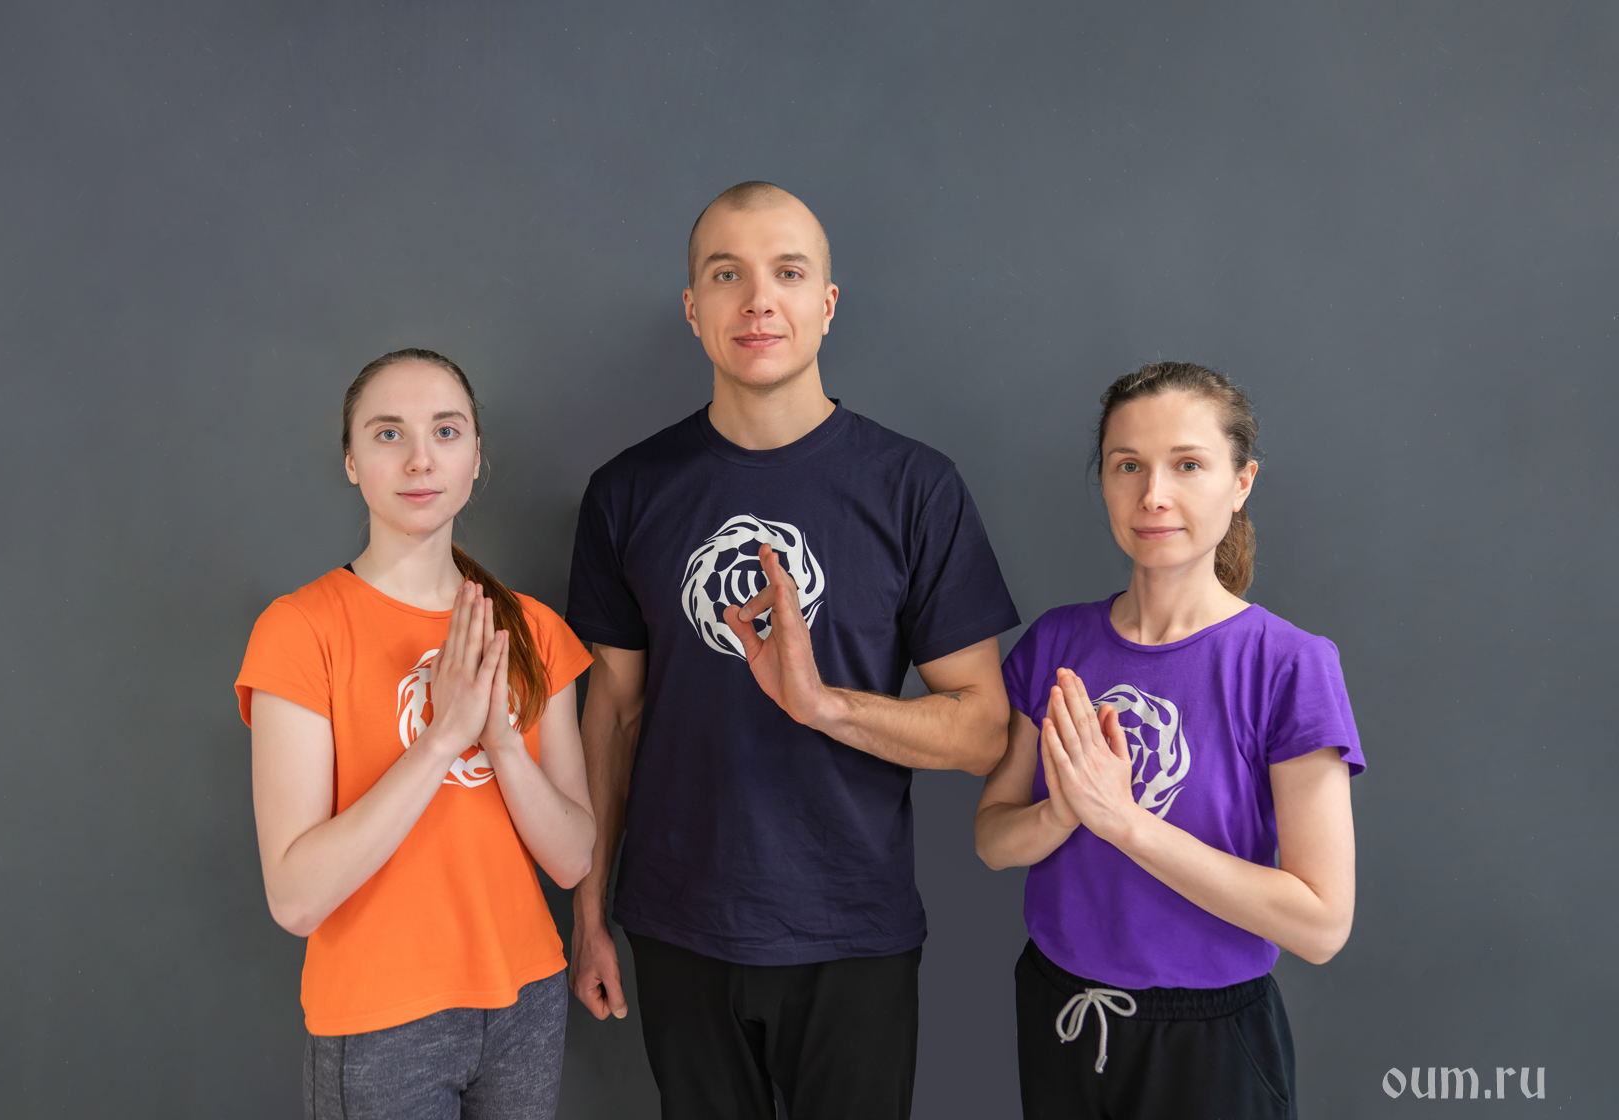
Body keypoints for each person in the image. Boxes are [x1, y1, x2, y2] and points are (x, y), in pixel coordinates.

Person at [565, 182, 1021, 1119]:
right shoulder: (626, 493)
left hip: (853, 929)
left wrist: (825, 705)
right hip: (677, 925)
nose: (758, 301)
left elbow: (984, 732)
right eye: (726, 275)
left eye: (787, 272)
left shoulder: (914, 488)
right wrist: (588, 909)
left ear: (827, 302)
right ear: (693, 308)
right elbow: (611, 712)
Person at [974, 362, 1364, 1119]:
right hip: (1060, 1012)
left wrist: (1124, 823)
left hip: (1209, 1043)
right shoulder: (1056, 641)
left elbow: (1320, 925)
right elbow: (992, 841)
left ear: (1241, 483)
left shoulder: (1288, 664)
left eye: (1187, 465)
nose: (1153, 494)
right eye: (1128, 466)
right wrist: (1061, 812)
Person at [235, 348, 596, 1120]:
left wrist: (501, 741)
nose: (420, 458)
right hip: (380, 1017)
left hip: (525, 1003)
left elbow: (573, 859)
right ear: (351, 461)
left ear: (476, 459)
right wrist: (440, 739)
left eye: (446, 430)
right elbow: (295, 899)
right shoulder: (299, 630)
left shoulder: (533, 630)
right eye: (388, 433)